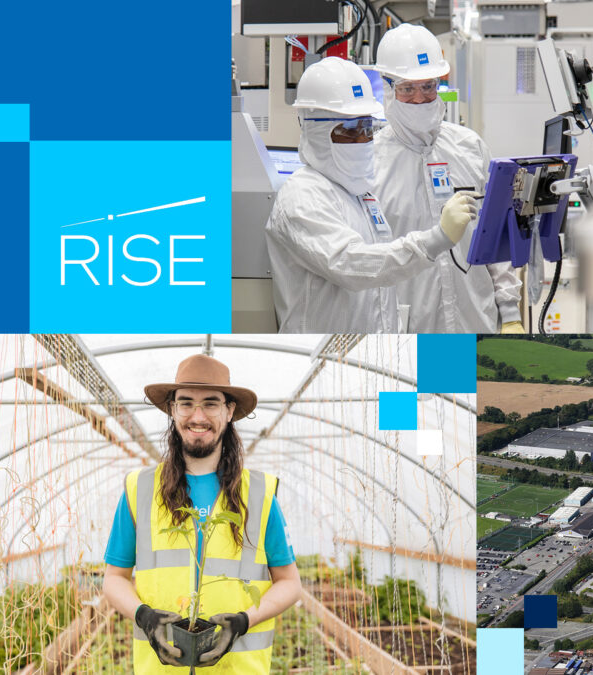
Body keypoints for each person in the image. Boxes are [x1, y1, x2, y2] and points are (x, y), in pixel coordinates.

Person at [102, 355, 301, 673]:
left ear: (229, 411)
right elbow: (114, 579)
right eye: (186, 403)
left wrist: (244, 621)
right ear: (172, 409)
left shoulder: (260, 494)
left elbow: (290, 582)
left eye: (210, 403)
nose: (198, 416)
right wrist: (143, 615)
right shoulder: (139, 489)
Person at [265, 56, 479, 332]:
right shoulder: (303, 196)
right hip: (323, 349)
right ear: (316, 130)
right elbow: (351, 264)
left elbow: (379, 289)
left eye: (367, 129)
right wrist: (435, 239)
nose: (363, 141)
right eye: (350, 131)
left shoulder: (360, 193)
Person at [372, 24, 524, 333]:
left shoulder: (469, 147)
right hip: (410, 329)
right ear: (388, 89)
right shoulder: (370, 163)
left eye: (428, 86)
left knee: (480, 383)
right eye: (407, 88)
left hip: (474, 320)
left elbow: (494, 233)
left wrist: (510, 313)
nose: (420, 98)